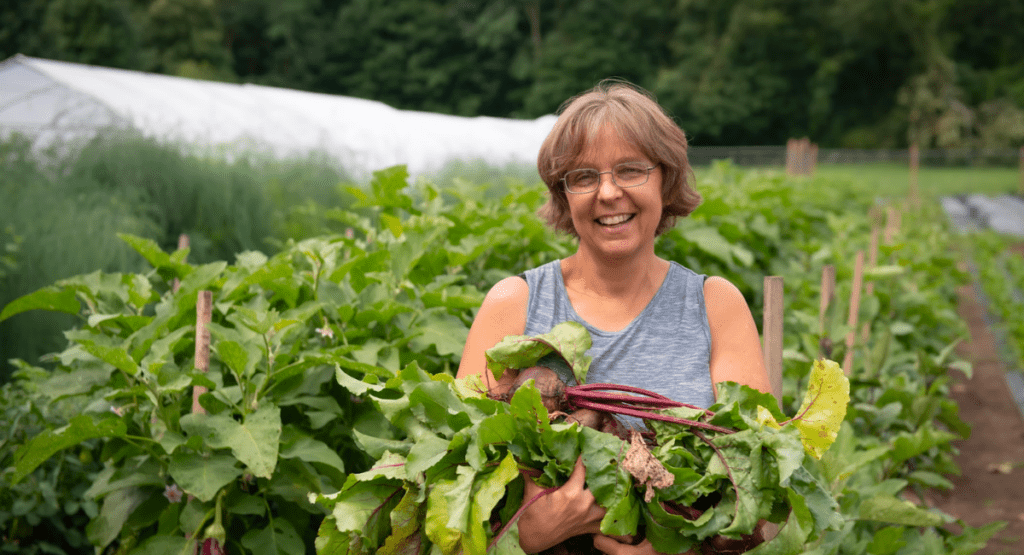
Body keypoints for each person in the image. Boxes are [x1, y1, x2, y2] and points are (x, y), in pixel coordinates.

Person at [456, 79, 772, 555]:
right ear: (563, 195)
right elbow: (457, 503)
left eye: (630, 170)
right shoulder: (514, 304)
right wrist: (531, 534)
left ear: (665, 179)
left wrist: (672, 547)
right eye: (583, 177)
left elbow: (757, 496)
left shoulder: (716, 306)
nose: (608, 193)